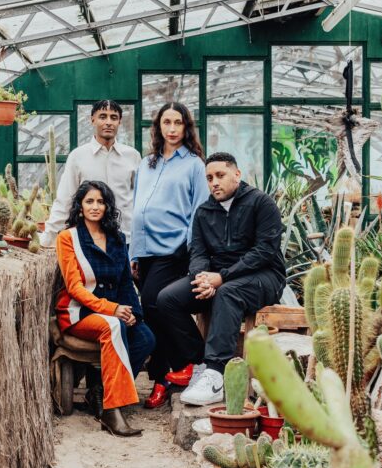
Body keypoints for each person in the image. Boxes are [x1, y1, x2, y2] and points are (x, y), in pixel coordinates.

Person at [154, 152, 285, 406]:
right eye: (209, 178)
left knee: (228, 292)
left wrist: (222, 278)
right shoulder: (204, 211)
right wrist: (202, 277)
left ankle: (216, 375)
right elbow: (198, 252)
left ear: (237, 174)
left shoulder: (261, 203)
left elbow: (264, 252)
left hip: (264, 276)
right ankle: (201, 364)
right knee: (167, 299)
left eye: (220, 175)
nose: (214, 182)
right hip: (217, 277)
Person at [55, 180, 155, 436]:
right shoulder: (68, 238)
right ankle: (112, 411)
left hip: (114, 309)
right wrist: (113, 309)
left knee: (145, 338)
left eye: (101, 201)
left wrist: (133, 312)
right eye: (89, 201)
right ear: (79, 207)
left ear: (108, 206)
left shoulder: (117, 239)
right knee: (113, 325)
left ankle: (99, 391)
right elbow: (75, 287)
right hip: (79, 312)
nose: (95, 206)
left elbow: (124, 281)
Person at [130, 102, 209, 409]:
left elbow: (199, 211)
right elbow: (137, 206)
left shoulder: (193, 165)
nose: (173, 128)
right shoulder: (146, 163)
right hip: (145, 250)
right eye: (167, 122)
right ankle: (163, 379)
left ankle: (195, 359)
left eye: (178, 122)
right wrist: (133, 253)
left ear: (186, 127)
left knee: (154, 303)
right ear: (158, 127)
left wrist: (188, 251)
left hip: (173, 249)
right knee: (151, 312)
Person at [43, 100, 141, 247]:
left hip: (126, 240)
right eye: (103, 116)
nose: (108, 122)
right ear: (92, 120)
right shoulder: (78, 156)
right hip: (89, 242)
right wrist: (47, 237)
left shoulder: (132, 156)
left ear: (120, 122)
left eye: (113, 118)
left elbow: (140, 201)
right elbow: (65, 200)